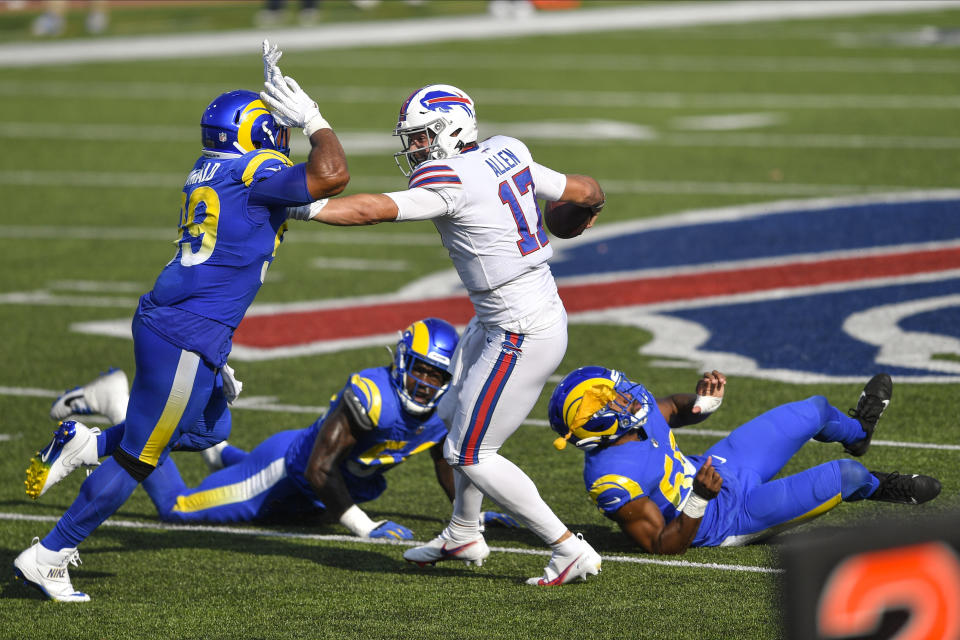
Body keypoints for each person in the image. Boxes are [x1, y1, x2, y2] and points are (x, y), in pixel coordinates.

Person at [13, 41, 349, 603]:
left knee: (208, 429)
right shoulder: (255, 171)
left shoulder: (213, 170)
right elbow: (332, 175)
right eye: (273, 130)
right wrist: (315, 120)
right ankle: (48, 554)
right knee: (140, 458)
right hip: (186, 333)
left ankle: (84, 442)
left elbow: (328, 201)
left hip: (181, 326)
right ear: (257, 136)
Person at [290, 84, 606, 585]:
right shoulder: (508, 150)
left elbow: (372, 209)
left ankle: (567, 547)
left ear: (452, 127)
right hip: (509, 313)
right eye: (411, 139)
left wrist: (298, 207)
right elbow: (584, 189)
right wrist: (587, 209)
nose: (414, 148)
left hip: (520, 330)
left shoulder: (451, 177)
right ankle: (464, 531)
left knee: (470, 452)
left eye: (420, 137)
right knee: (450, 411)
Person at [27, 319, 518, 538]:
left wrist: (467, 515)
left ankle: (220, 453)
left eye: (437, 376)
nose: (426, 383)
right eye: (420, 370)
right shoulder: (373, 394)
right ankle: (121, 405)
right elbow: (317, 467)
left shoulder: (441, 411)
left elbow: (446, 459)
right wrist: (365, 529)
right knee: (177, 509)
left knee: (254, 472)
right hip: (287, 471)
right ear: (401, 360)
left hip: (307, 480)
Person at [547, 368, 942, 554]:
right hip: (722, 519)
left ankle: (859, 433)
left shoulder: (634, 413)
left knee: (814, 410)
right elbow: (661, 544)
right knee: (848, 476)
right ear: (603, 426)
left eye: (613, 392)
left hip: (720, 468)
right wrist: (700, 497)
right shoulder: (610, 480)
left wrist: (702, 405)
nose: (624, 397)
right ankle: (881, 486)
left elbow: (670, 408)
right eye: (611, 401)